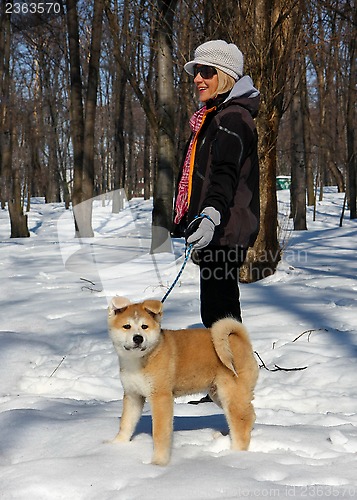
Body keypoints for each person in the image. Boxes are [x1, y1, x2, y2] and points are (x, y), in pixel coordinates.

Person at [173, 40, 260, 362]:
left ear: (224, 76)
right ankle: (227, 378)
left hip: (225, 227)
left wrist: (210, 215)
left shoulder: (233, 118)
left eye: (207, 72)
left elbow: (225, 172)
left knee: (220, 312)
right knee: (216, 311)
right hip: (216, 226)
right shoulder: (213, 116)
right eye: (197, 72)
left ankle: (234, 379)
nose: (198, 78)